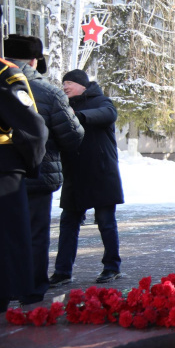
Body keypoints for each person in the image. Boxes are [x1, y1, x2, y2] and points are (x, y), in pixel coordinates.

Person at [4, 35, 84, 302]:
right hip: (37, 173)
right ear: (34, 59)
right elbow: (73, 134)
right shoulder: (49, 92)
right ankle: (32, 291)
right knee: (36, 234)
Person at [51, 69, 124, 285]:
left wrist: (79, 117)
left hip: (101, 172)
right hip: (75, 174)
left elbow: (108, 114)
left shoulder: (102, 100)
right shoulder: (63, 106)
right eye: (63, 83)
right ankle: (62, 272)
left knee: (106, 222)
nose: (65, 86)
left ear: (83, 85)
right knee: (68, 224)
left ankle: (112, 267)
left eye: (69, 83)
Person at [0, 38, 48, 312]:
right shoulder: (4, 74)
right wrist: (31, 165)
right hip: (4, 172)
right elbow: (34, 130)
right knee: (12, 241)